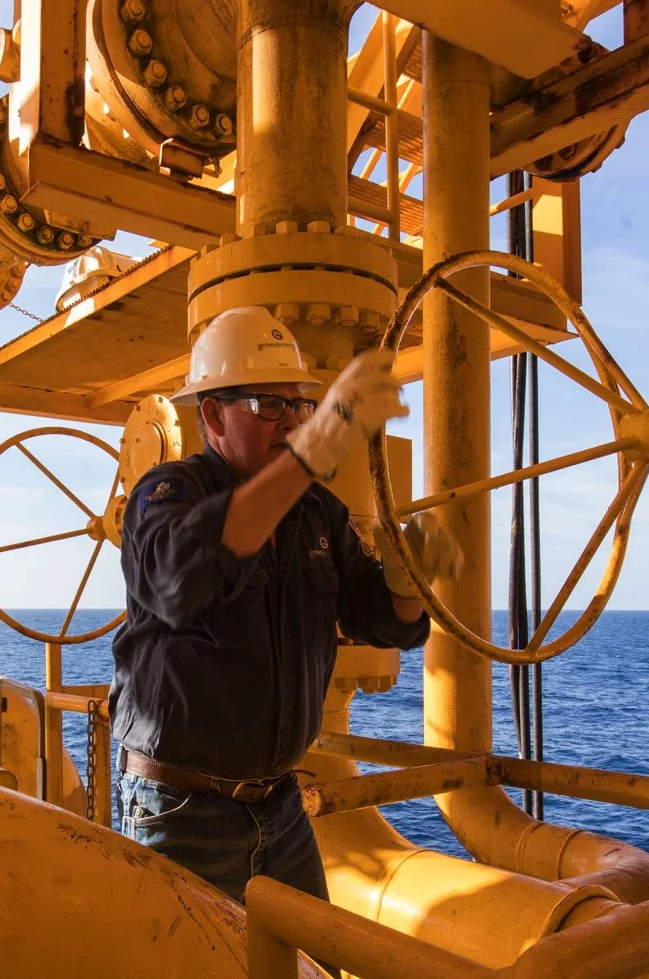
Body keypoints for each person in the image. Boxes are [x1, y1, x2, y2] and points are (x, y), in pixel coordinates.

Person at [110, 306, 462, 904]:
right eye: (268, 406)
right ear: (213, 415)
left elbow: (383, 621)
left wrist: (408, 583)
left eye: (299, 406)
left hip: (281, 808)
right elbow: (176, 579)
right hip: (180, 816)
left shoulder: (315, 513)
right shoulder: (165, 495)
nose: (292, 422)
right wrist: (315, 449)